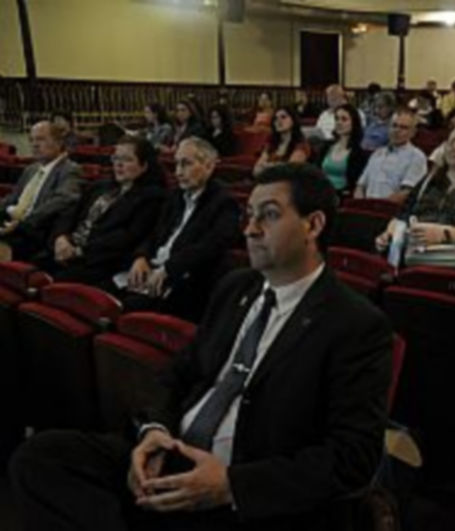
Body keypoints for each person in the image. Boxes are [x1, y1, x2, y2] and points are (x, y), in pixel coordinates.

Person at [10, 162, 394, 531]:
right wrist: (154, 431)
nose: (251, 229)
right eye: (249, 214)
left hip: (240, 487)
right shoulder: (235, 287)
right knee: (42, 457)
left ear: (313, 225)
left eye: (270, 215)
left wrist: (231, 484)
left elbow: (352, 458)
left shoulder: (356, 324)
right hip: (173, 452)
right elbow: (179, 374)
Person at [116, 137, 241, 321]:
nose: (178, 172)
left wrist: (169, 268)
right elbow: (155, 233)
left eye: (186, 164)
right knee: (103, 294)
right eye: (176, 164)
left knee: (125, 311)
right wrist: (141, 256)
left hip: (183, 278)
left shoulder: (224, 203)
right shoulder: (175, 196)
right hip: (153, 268)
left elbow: (211, 246)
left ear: (208, 166)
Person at [37, 136, 166, 284]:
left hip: (98, 262)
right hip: (67, 251)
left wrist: (78, 251)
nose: (119, 164)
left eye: (127, 159)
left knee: (53, 283)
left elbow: (126, 238)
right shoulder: (99, 186)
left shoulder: (152, 197)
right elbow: (70, 214)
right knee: (28, 271)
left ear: (144, 166)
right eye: (116, 158)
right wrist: (61, 237)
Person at [375, 121, 455, 258]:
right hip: (415, 252)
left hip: (454, 256)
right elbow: (403, 214)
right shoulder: (431, 178)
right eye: (452, 142)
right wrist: (389, 235)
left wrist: (444, 235)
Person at [0, 121, 82, 261]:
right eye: (32, 140)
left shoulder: (69, 170)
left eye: (41, 139)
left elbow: (62, 200)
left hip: (34, 230)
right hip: (11, 220)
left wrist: (23, 223)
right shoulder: (30, 169)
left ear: (58, 142)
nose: (34, 144)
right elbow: (13, 198)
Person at [354, 108, 427, 202]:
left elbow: (407, 192)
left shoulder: (416, 157)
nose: (397, 130)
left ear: (413, 133)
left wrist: (378, 207)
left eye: (403, 127)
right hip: (366, 209)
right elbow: (360, 186)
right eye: (394, 126)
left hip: (391, 210)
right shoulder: (377, 153)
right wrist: (360, 205)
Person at [318, 103, 369, 195]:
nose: (339, 122)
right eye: (337, 119)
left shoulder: (358, 153)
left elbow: (355, 183)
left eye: (344, 119)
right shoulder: (326, 146)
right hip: (321, 193)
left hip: (343, 195)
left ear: (354, 123)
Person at [253, 106, 311, 176]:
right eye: (275, 119)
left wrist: (267, 166)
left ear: (293, 120)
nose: (279, 121)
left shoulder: (301, 144)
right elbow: (256, 170)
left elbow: (290, 171)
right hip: (267, 180)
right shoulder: (271, 144)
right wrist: (278, 166)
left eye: (283, 117)